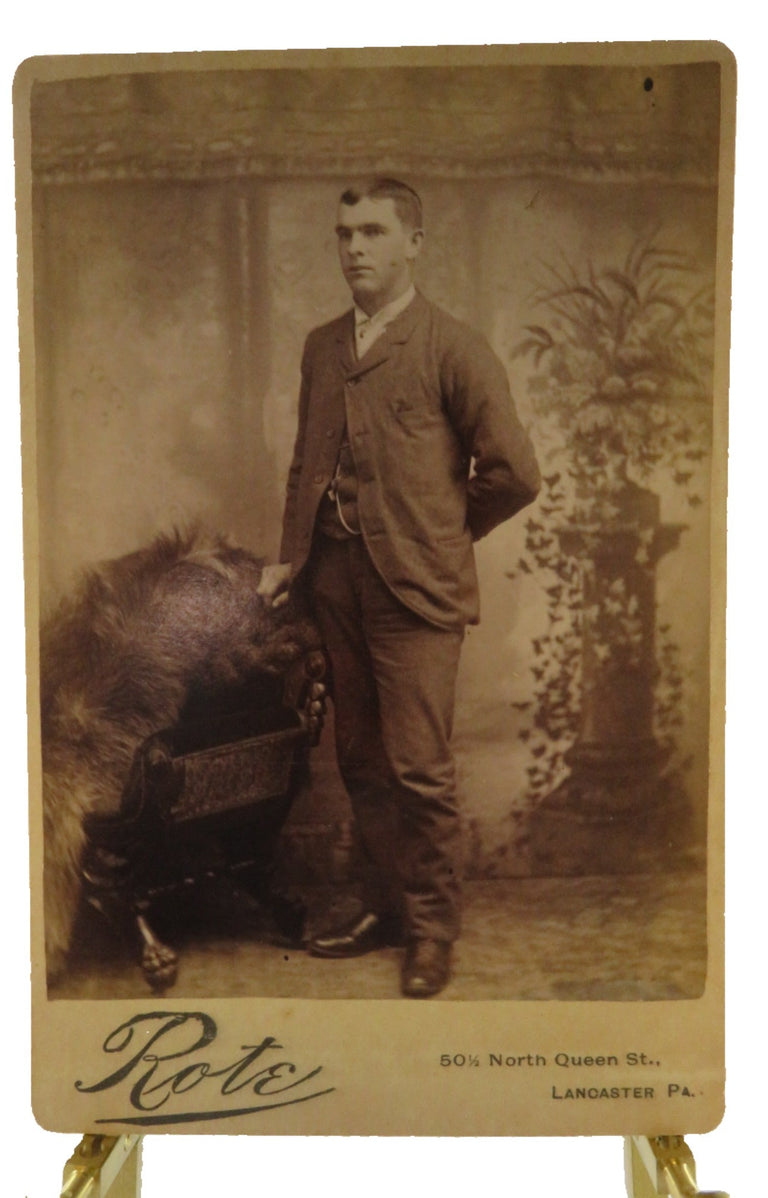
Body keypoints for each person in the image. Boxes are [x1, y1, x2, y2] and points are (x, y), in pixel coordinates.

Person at [258, 177, 540, 997]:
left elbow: (517, 473)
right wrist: (289, 559)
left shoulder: (453, 346)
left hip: (415, 592)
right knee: (362, 762)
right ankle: (385, 905)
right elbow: (303, 468)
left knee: (419, 767)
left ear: (413, 243)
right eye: (345, 233)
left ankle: (432, 930)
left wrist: (447, 533)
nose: (355, 248)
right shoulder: (321, 347)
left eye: (374, 232)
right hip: (334, 585)